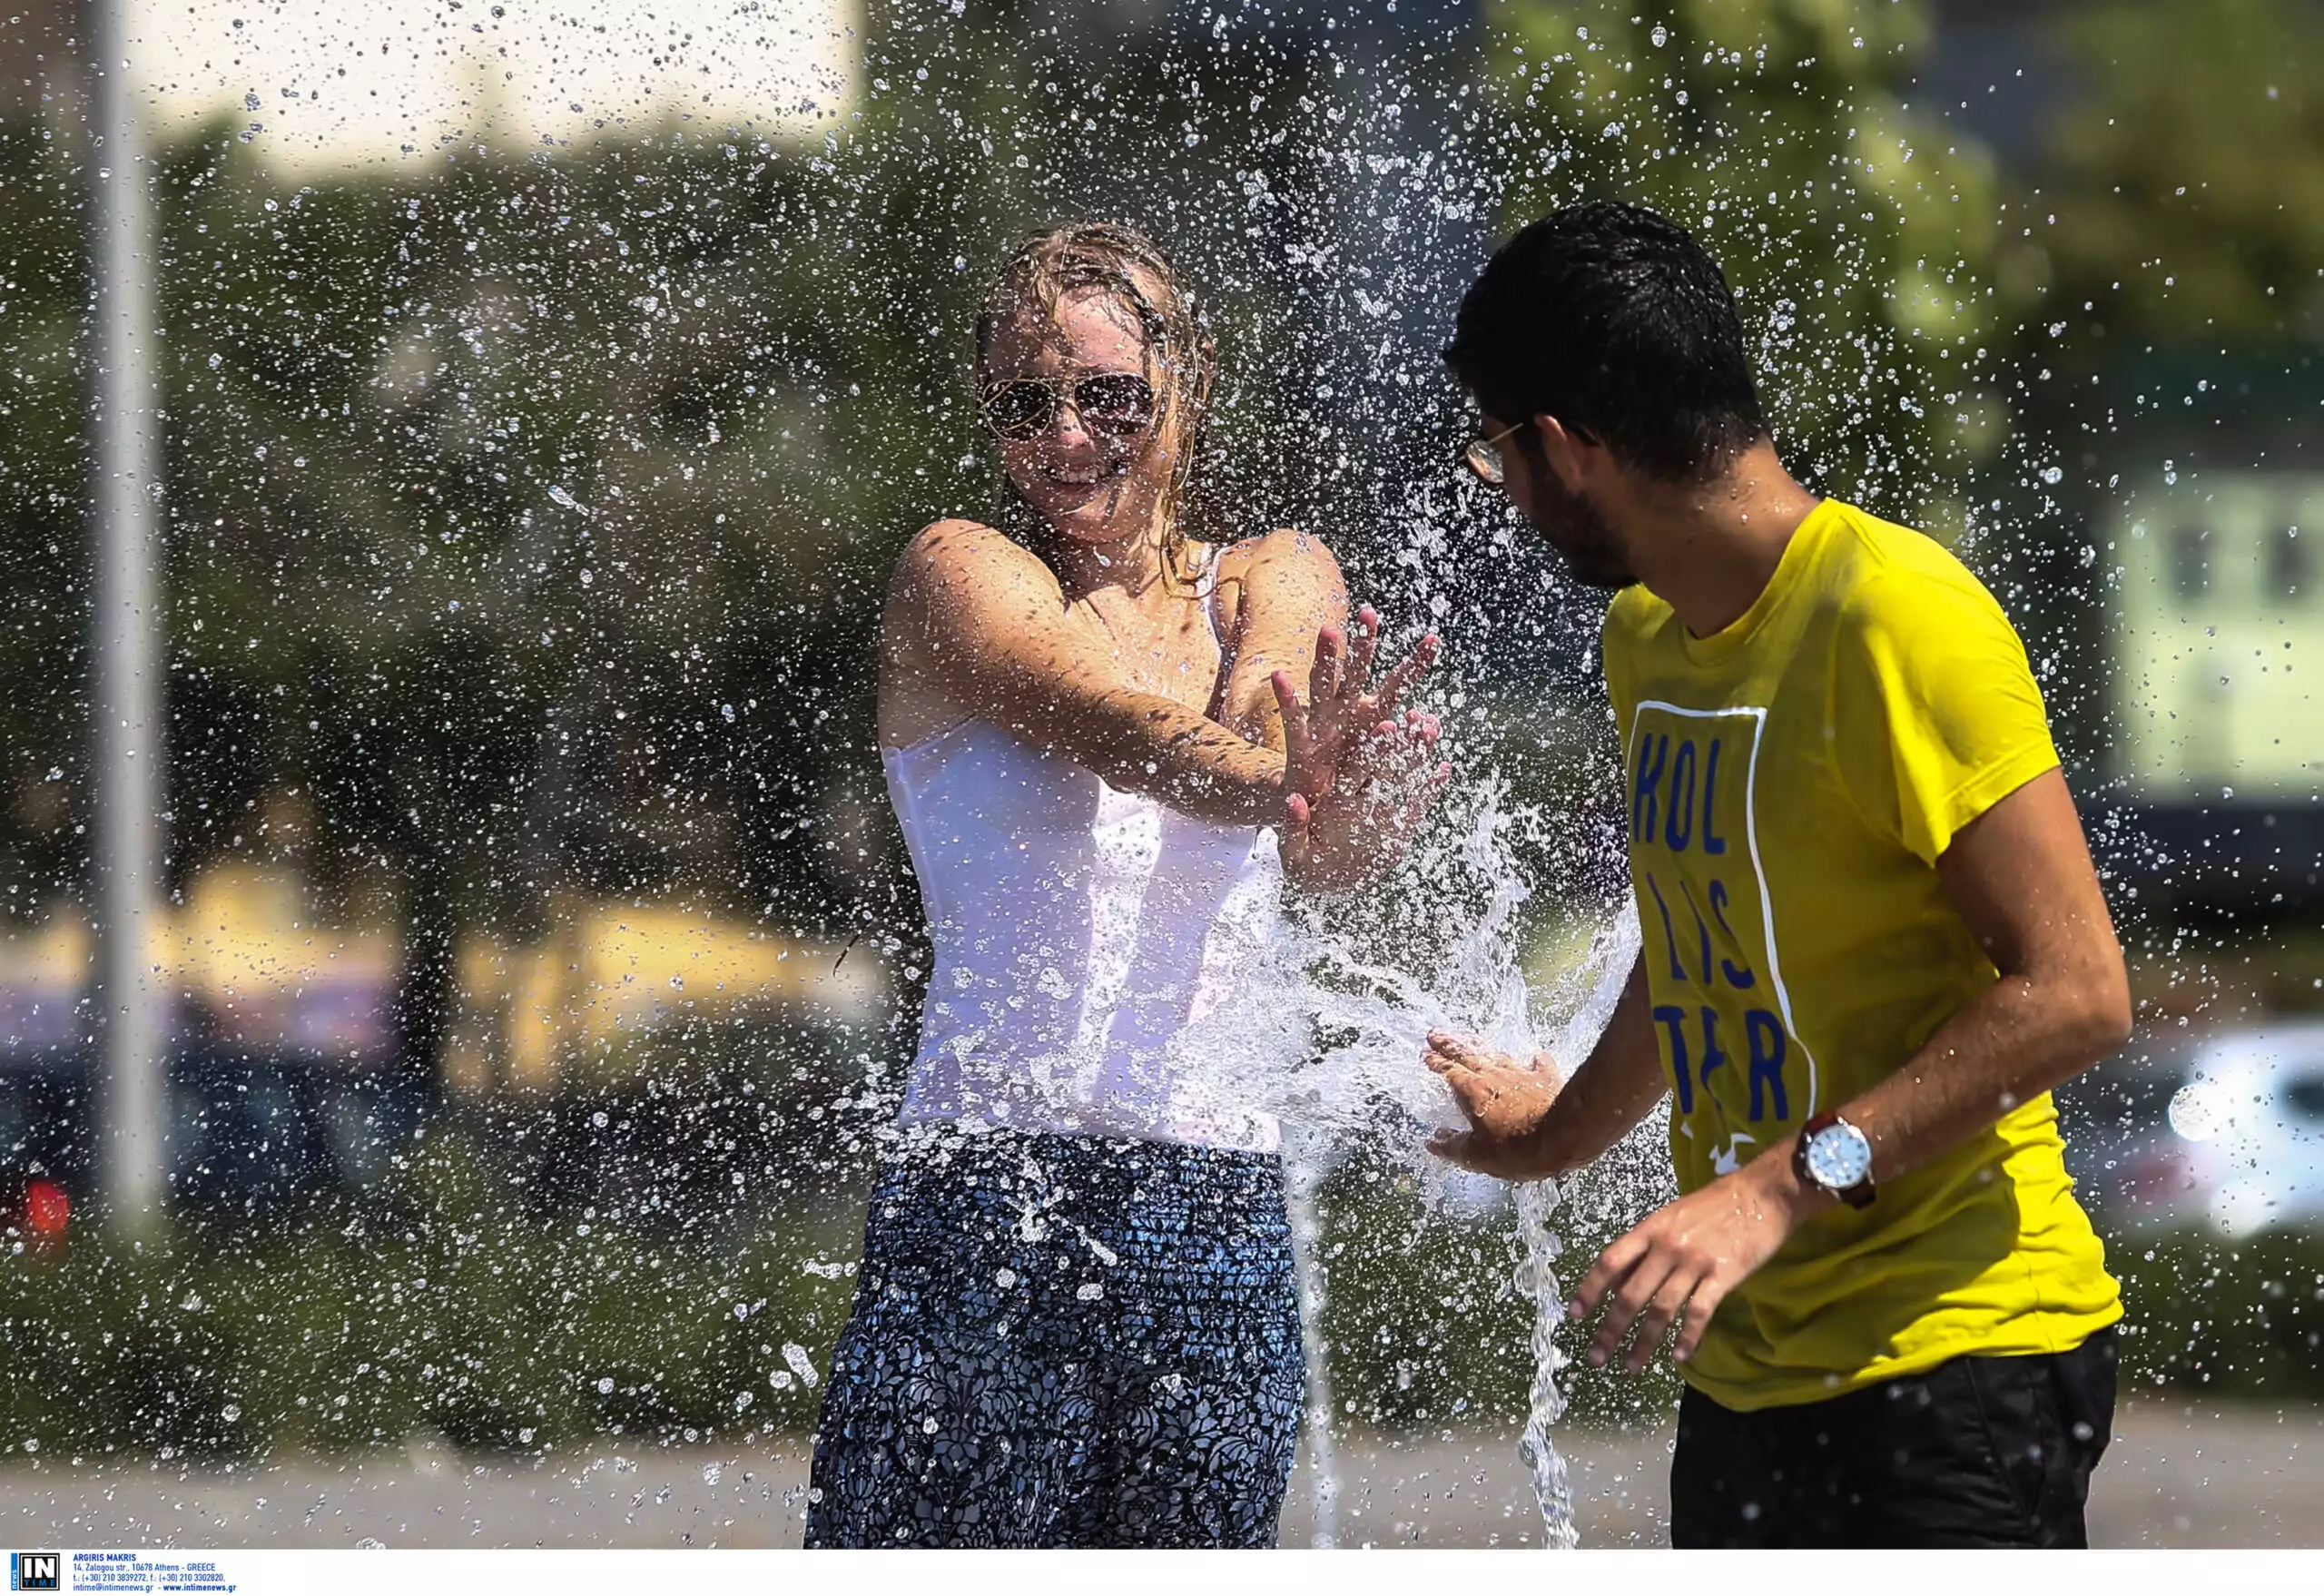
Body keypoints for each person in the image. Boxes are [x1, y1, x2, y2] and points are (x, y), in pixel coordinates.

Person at [1423, 202, 2130, 1548]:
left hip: (1961, 1360)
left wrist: (1773, 1188)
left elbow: (2082, 990)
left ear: (1568, 445)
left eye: (1499, 455)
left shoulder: (1896, 619)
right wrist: (1564, 1130)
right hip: (1749, 1376)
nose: (1504, 494)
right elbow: (1704, 938)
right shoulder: (1652, 639)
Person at [805, 222, 1443, 1548]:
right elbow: (1129, 734)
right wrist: (1283, 782)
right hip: (987, 1188)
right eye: (1025, 406)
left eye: (1108, 396)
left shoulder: (1274, 574)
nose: (1068, 438)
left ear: (1187, 387)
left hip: (1216, 1205)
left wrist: (1355, 807)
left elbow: (1306, 825)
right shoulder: (961, 574)